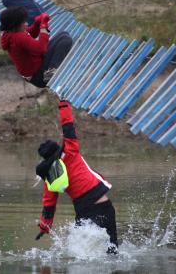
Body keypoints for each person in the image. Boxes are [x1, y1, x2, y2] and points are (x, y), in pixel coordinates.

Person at [35, 100, 118, 254]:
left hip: (83, 211)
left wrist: (44, 227)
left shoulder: (50, 177)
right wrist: (63, 103)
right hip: (104, 207)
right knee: (112, 252)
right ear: (57, 149)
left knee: (84, 254)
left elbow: (49, 204)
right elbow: (68, 127)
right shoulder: (70, 151)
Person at [0, 6, 72, 88]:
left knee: (63, 34)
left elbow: (30, 34)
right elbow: (41, 49)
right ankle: (50, 73)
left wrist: (37, 23)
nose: (26, 23)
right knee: (66, 40)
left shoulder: (10, 33)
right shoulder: (18, 37)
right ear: (15, 24)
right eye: (24, 22)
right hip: (38, 76)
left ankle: (50, 71)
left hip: (35, 68)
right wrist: (43, 27)